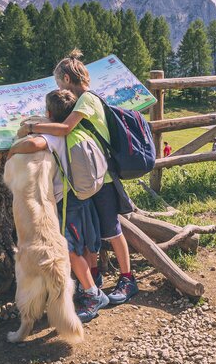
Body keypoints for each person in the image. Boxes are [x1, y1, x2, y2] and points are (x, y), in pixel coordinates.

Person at [18, 49, 139, 305]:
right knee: (91, 233)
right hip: (87, 180)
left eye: (58, 82)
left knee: (112, 230)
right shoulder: (81, 99)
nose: (59, 87)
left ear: (66, 78)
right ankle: (92, 280)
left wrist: (30, 128)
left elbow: (65, 128)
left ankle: (128, 279)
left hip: (102, 178)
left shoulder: (87, 100)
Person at [8, 89, 109, 322]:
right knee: (83, 243)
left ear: (49, 112)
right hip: (82, 195)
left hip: (66, 201)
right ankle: (90, 285)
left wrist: (13, 148)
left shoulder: (53, 136)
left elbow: (34, 143)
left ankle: (93, 294)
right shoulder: (75, 129)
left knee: (68, 250)